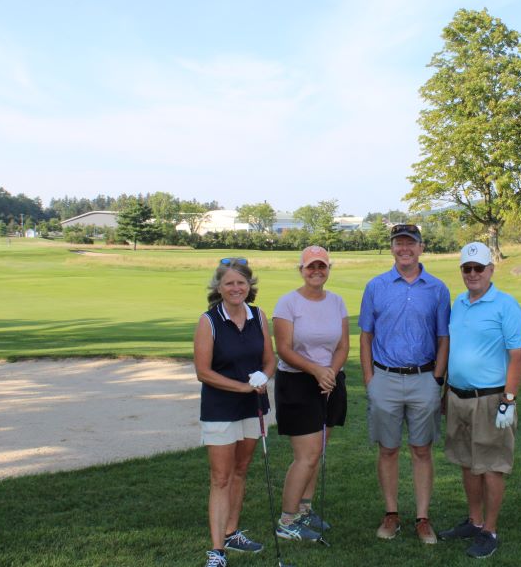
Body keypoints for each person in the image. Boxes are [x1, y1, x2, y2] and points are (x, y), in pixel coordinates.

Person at [359, 223, 450, 544]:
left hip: (424, 378)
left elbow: (443, 338)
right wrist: (370, 379)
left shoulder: (437, 289)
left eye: (410, 243)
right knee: (388, 449)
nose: (404, 249)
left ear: (421, 247)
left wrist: (437, 378)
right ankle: (391, 513)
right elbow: (366, 335)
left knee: (422, 450)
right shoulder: (376, 286)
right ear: (392, 248)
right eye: (399, 243)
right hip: (384, 377)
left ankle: (423, 518)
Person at [438, 242, 521, 559]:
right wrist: (446, 392)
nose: (473, 274)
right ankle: (474, 521)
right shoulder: (459, 304)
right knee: (467, 462)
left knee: (491, 466)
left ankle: (489, 530)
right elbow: (455, 352)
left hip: (491, 399)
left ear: (491, 270)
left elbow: (518, 356)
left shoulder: (506, 305)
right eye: (467, 268)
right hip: (458, 396)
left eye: (479, 268)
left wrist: (509, 399)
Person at [193, 258, 276, 567]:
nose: (236, 288)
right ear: (219, 287)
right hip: (220, 409)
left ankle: (231, 531)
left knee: (241, 471)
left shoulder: (258, 316)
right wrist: (242, 387)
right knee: (221, 477)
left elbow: (270, 359)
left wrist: (265, 377)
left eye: (241, 282)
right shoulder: (209, 321)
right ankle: (217, 551)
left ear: (249, 286)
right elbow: (203, 372)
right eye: (229, 283)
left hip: (253, 407)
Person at [272, 246, 350, 542]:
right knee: (306, 456)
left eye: (322, 266)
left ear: (329, 268)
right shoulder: (288, 303)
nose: (316, 271)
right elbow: (285, 349)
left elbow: (343, 345)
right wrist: (317, 371)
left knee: (317, 453)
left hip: (329, 380)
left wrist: (330, 371)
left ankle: (305, 510)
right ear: (301, 270)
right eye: (310, 266)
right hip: (297, 382)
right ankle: (287, 520)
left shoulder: (337, 302)